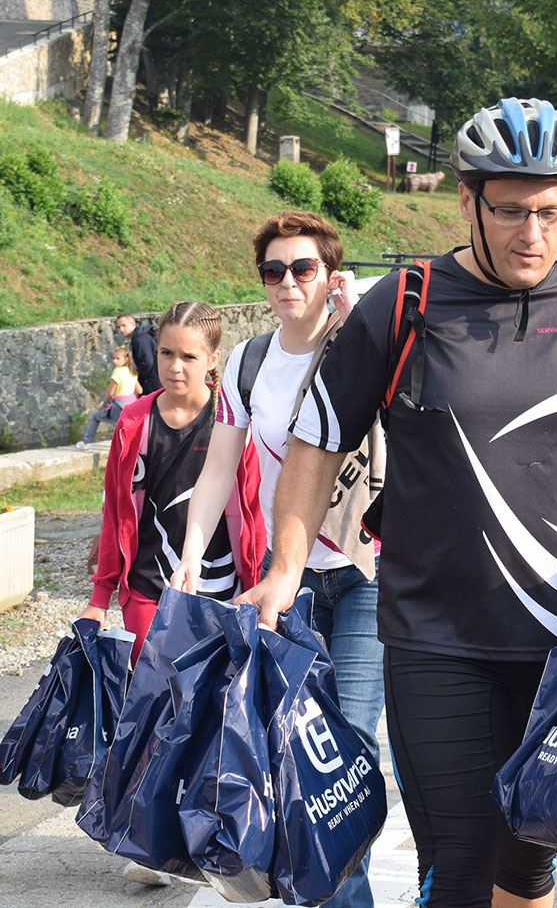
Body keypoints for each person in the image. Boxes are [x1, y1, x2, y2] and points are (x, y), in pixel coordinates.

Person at [240, 97, 557, 908]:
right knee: (459, 869)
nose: (534, 233)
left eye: (552, 212)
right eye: (512, 211)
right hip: (436, 640)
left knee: (527, 868)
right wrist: (285, 568)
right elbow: (317, 444)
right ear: (467, 200)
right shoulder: (408, 303)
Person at [170, 210, 382, 908]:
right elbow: (218, 468)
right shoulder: (248, 362)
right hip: (285, 580)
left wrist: (360, 324)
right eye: (273, 270)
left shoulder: (366, 345)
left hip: (369, 571)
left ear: (331, 275)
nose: (288, 282)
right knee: (295, 750)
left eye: (303, 268)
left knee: (347, 748)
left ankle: (346, 898)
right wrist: (191, 554)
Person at [79, 301, 265, 887]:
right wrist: (100, 594)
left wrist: (259, 586)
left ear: (213, 360)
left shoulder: (232, 423)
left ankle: (207, 835)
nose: (175, 366)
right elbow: (117, 510)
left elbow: (252, 509)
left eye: (188, 356)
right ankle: (146, 843)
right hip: (148, 591)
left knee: (211, 717)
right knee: (152, 715)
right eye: (165, 353)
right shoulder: (135, 421)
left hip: (220, 592)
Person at [76, 347, 140, 448]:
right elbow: (140, 390)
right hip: (131, 406)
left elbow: (110, 393)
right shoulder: (132, 372)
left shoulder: (117, 372)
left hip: (119, 405)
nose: (114, 361)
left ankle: (87, 442)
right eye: (113, 358)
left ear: (125, 359)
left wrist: (103, 404)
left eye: (117, 358)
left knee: (95, 416)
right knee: (124, 426)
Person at [115, 313, 161, 394]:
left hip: (152, 383)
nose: (121, 329)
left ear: (133, 324)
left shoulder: (140, 339)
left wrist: (137, 376)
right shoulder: (142, 336)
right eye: (119, 327)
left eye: (124, 325)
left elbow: (147, 363)